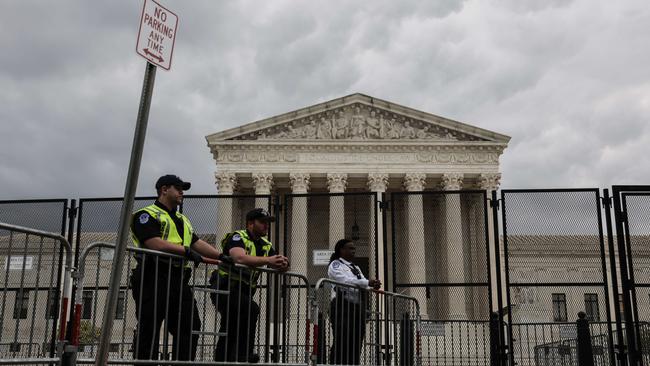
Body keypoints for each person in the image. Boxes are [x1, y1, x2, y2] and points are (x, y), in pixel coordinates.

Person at [129, 174, 223, 363]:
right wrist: (185, 251)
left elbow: (196, 243)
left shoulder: (182, 219)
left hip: (178, 279)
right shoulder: (146, 215)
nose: (182, 193)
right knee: (150, 329)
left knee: (190, 326)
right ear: (164, 190)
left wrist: (221, 256)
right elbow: (153, 243)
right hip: (152, 276)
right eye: (178, 188)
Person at [210, 208, 289, 363]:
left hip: (244, 291)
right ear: (251, 224)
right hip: (225, 287)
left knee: (230, 326)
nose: (266, 226)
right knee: (250, 309)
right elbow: (239, 258)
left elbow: (276, 261)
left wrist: (283, 264)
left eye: (268, 223)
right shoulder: (238, 237)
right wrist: (268, 261)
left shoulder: (265, 245)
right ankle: (243, 354)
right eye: (262, 222)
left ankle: (225, 359)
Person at [327, 239, 381, 365]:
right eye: (350, 248)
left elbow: (362, 282)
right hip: (342, 307)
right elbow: (345, 281)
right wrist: (367, 282)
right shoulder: (336, 265)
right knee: (342, 341)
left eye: (354, 248)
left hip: (357, 308)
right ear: (341, 250)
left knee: (357, 341)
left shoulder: (355, 267)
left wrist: (372, 286)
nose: (353, 251)